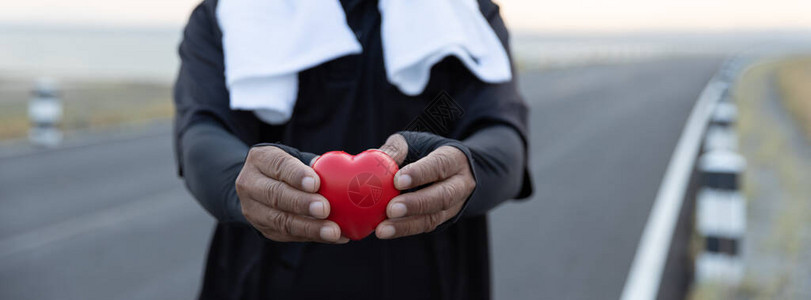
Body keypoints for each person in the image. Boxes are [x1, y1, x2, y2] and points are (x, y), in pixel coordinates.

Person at [174, 0, 532, 299]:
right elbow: (202, 132)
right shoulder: (232, 13)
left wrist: (468, 168)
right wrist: (243, 184)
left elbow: (500, 130)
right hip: (265, 277)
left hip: (431, 278)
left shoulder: (464, 13)